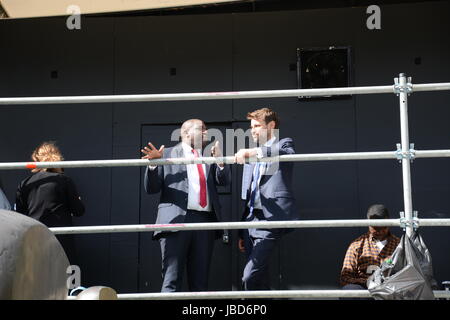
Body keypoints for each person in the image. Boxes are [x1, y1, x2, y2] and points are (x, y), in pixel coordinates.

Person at [141, 119, 230, 292]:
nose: (206, 132)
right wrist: (153, 164)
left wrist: (220, 161)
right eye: (201, 129)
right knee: (171, 280)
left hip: (204, 222)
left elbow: (225, 181)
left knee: (200, 283)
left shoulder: (207, 157)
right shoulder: (165, 154)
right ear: (186, 133)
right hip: (176, 222)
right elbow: (151, 188)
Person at [235, 107, 298, 290]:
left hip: (270, 219)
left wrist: (253, 153)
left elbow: (288, 154)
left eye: (257, 126)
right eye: (251, 126)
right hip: (250, 222)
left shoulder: (285, 143)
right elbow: (249, 194)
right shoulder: (252, 154)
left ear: (271, 125)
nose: (253, 130)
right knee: (259, 278)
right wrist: (241, 230)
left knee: (249, 276)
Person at [15, 142, 85, 263]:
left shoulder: (25, 183)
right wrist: (77, 201)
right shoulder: (64, 181)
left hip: (35, 238)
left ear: (36, 159)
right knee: (66, 276)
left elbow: (20, 215)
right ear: (58, 158)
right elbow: (79, 211)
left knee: (38, 276)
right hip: (61, 240)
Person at [340, 204, 400, 290]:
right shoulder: (357, 245)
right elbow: (345, 277)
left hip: (390, 290)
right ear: (368, 224)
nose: (379, 231)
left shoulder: (399, 245)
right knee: (349, 290)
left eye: (383, 227)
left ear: (389, 224)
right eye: (375, 228)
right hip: (365, 290)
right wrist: (368, 282)